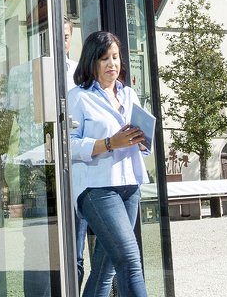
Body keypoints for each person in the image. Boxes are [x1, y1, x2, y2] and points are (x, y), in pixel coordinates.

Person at [67, 31, 149, 297]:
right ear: (92, 61)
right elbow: (67, 145)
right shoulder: (78, 97)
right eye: (105, 58)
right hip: (97, 187)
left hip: (130, 186)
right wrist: (110, 143)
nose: (112, 64)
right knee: (129, 261)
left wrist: (142, 141)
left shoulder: (129, 95)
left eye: (115, 57)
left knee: (106, 269)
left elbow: (140, 144)